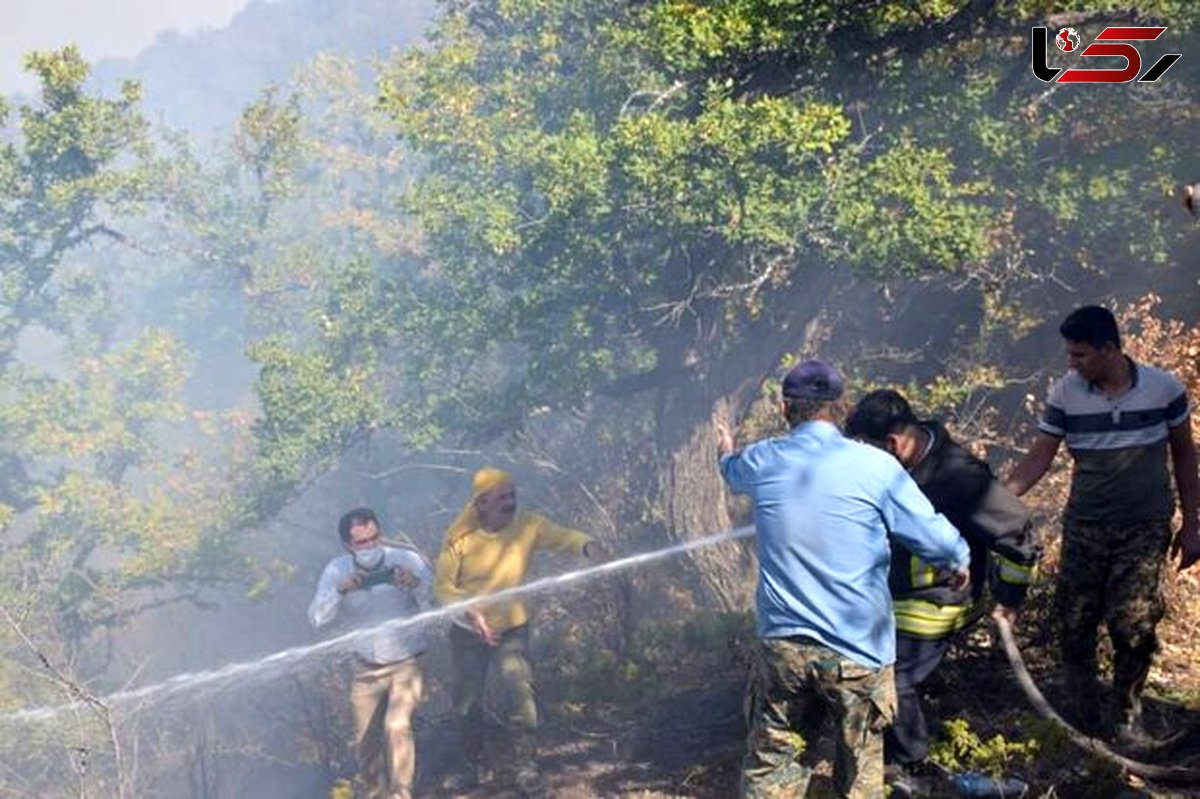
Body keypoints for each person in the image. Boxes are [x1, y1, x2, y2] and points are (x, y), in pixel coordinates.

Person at [716, 359, 971, 799]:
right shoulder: (877, 468)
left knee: (773, 764)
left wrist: (724, 449)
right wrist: (959, 559)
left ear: (784, 408)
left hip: (785, 648)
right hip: (858, 652)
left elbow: (731, 470)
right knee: (860, 773)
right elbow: (936, 539)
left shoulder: (761, 460)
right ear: (840, 407)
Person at [1005, 305, 1200, 744]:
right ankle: (1082, 717)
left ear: (1110, 349)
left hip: (1143, 525)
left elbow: (1186, 456)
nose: (1072, 364)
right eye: (1070, 356)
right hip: (1086, 524)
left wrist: (1192, 525)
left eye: (1080, 355)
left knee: (1132, 623)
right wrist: (994, 501)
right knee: (1073, 622)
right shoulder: (1065, 394)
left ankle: (1126, 715)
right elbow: (1040, 457)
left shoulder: (1163, 389)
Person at [845, 389, 1042, 792]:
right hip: (892, 593)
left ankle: (911, 770)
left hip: (939, 599)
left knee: (891, 675)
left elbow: (1018, 531)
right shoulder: (900, 468)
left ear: (894, 444)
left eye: (866, 451)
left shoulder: (958, 476)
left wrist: (1009, 600)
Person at [434, 467, 607, 798]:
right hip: (468, 632)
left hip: (513, 627)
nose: (510, 502)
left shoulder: (529, 525)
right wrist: (472, 613)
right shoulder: (459, 537)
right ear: (481, 503)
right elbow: (443, 588)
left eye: (512, 495)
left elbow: (563, 537)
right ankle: (477, 767)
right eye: (502, 497)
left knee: (520, 692)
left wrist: (588, 546)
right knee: (467, 703)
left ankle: (526, 768)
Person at [308, 508, 434, 799]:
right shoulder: (336, 570)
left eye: (374, 537)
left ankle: (401, 794)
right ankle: (376, 793)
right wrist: (341, 590)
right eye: (361, 542)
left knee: (397, 726)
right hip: (365, 669)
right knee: (366, 745)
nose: (370, 546)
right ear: (347, 546)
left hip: (409, 661)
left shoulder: (406, 560)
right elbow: (316, 618)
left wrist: (414, 584)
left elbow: (436, 603)